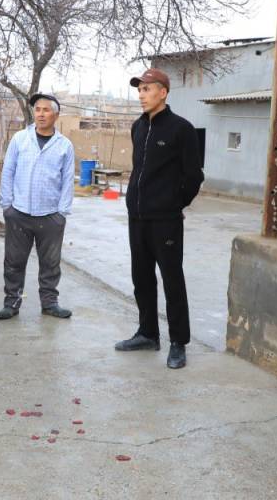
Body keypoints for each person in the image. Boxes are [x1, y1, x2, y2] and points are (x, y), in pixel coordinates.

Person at [114, 68, 203, 369]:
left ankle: (178, 342)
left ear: (163, 92)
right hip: (137, 217)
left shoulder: (181, 129)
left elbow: (194, 176)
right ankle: (148, 333)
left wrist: (173, 203)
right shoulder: (138, 126)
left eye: (147, 89)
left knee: (171, 279)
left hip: (165, 219)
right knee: (141, 277)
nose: (141, 95)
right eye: (139, 90)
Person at [0, 93, 76, 320]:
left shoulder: (64, 146)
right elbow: (8, 171)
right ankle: (11, 303)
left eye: (46, 110)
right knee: (14, 261)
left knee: (50, 263)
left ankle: (49, 303)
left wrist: (62, 213)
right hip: (19, 212)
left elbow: (67, 180)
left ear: (56, 115)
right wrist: (7, 205)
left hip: (50, 215)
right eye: (38, 109)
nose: (40, 114)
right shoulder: (20, 139)